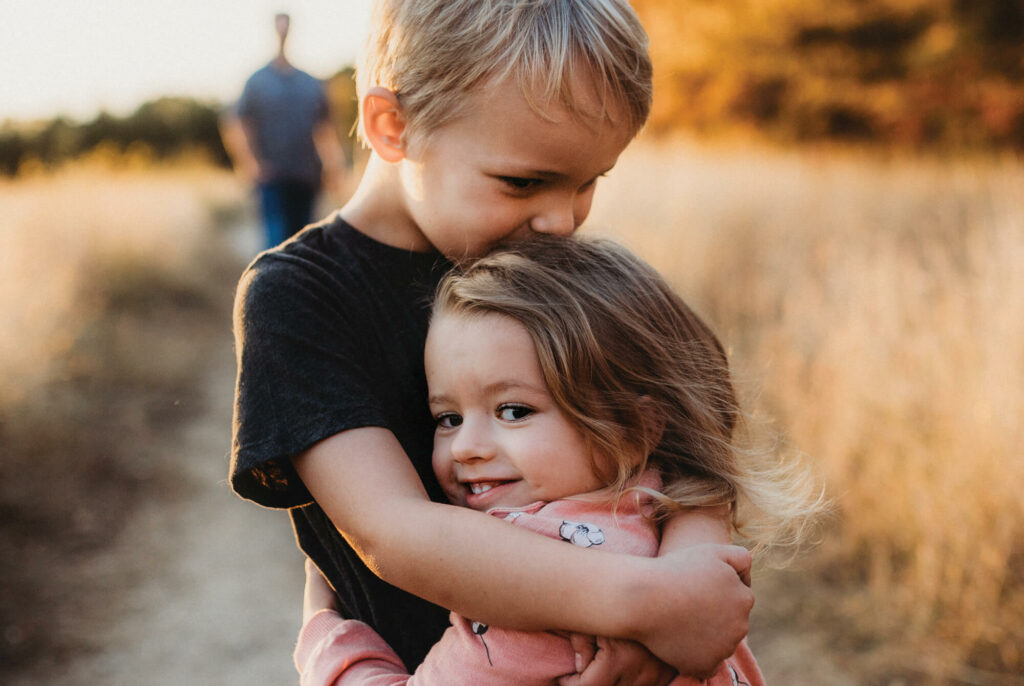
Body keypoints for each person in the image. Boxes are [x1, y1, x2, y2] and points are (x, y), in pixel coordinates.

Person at [230, 1, 753, 681]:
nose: (562, 220)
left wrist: (682, 586)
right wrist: (645, 605)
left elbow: (697, 441)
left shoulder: (545, 263)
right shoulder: (302, 295)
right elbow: (394, 531)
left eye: (589, 182)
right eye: (524, 182)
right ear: (394, 126)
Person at [292, 235, 827, 685]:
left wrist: (326, 634)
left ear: (638, 428)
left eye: (514, 410)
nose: (465, 447)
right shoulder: (669, 524)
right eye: (447, 418)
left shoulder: (534, 596)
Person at [220, 13, 345, 248]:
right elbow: (236, 122)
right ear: (274, 30)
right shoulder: (257, 81)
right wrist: (250, 163)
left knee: (302, 244)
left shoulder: (309, 82)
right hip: (272, 177)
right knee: (276, 244)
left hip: (306, 175)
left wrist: (333, 166)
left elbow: (325, 127)